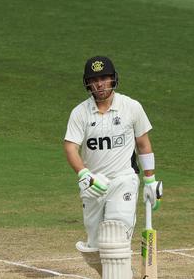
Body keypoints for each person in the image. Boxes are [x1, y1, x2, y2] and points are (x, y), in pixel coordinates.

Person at [63, 56, 163, 279]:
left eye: (104, 78)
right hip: (93, 186)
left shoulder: (131, 107)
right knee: (96, 250)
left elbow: (143, 144)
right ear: (87, 83)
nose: (99, 84)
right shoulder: (80, 113)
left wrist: (150, 180)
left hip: (123, 180)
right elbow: (70, 147)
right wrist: (85, 175)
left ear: (113, 79)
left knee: (115, 239)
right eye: (94, 80)